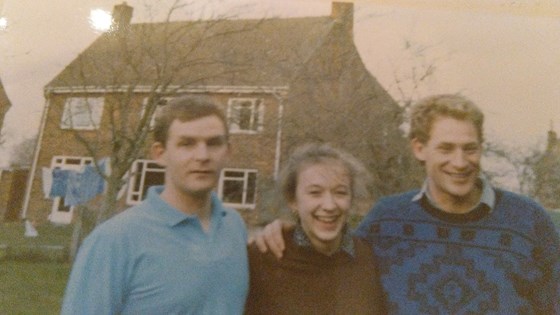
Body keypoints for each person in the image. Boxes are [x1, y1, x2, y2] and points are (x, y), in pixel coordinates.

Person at [255, 94, 560, 314]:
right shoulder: (387, 220)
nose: (460, 162)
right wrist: (286, 231)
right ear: (419, 148)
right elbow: (329, 254)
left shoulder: (530, 222)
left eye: (470, 149)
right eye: (446, 148)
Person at [61, 96, 248, 314]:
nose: (202, 156)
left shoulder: (234, 226)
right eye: (187, 144)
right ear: (160, 154)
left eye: (213, 143)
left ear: (228, 152)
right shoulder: (114, 240)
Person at [245, 143, 386, 314]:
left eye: (340, 192)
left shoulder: (368, 258)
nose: (329, 205)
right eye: (315, 193)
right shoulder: (262, 258)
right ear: (293, 200)